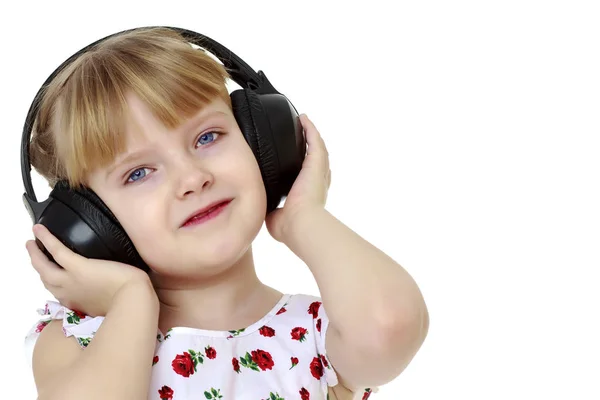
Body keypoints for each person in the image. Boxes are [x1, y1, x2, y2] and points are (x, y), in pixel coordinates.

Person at [23, 27, 429, 400]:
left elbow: (389, 326)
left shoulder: (319, 338)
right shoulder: (79, 340)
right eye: (139, 173)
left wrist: (304, 218)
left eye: (207, 136)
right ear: (87, 224)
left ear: (262, 141)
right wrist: (132, 300)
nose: (192, 178)